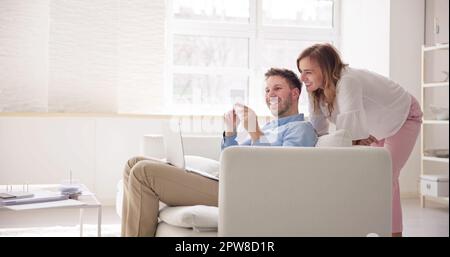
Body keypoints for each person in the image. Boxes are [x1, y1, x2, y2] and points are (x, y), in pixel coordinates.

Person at [121, 68, 318, 236]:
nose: (269, 95)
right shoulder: (268, 128)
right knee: (132, 164)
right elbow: (231, 158)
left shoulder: (301, 129)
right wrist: (231, 131)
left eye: (277, 88)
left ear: (294, 94)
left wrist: (255, 131)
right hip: (228, 181)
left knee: (143, 172)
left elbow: (281, 172)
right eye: (267, 90)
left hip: (245, 192)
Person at [296, 43, 423, 237]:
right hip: (374, 130)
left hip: (404, 117)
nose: (302, 78)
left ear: (326, 68)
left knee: (384, 178)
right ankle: (373, 229)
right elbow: (318, 132)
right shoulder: (316, 91)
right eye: (301, 72)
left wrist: (353, 139)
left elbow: (349, 133)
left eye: (308, 72)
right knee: (371, 178)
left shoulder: (348, 81)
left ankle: (391, 233)